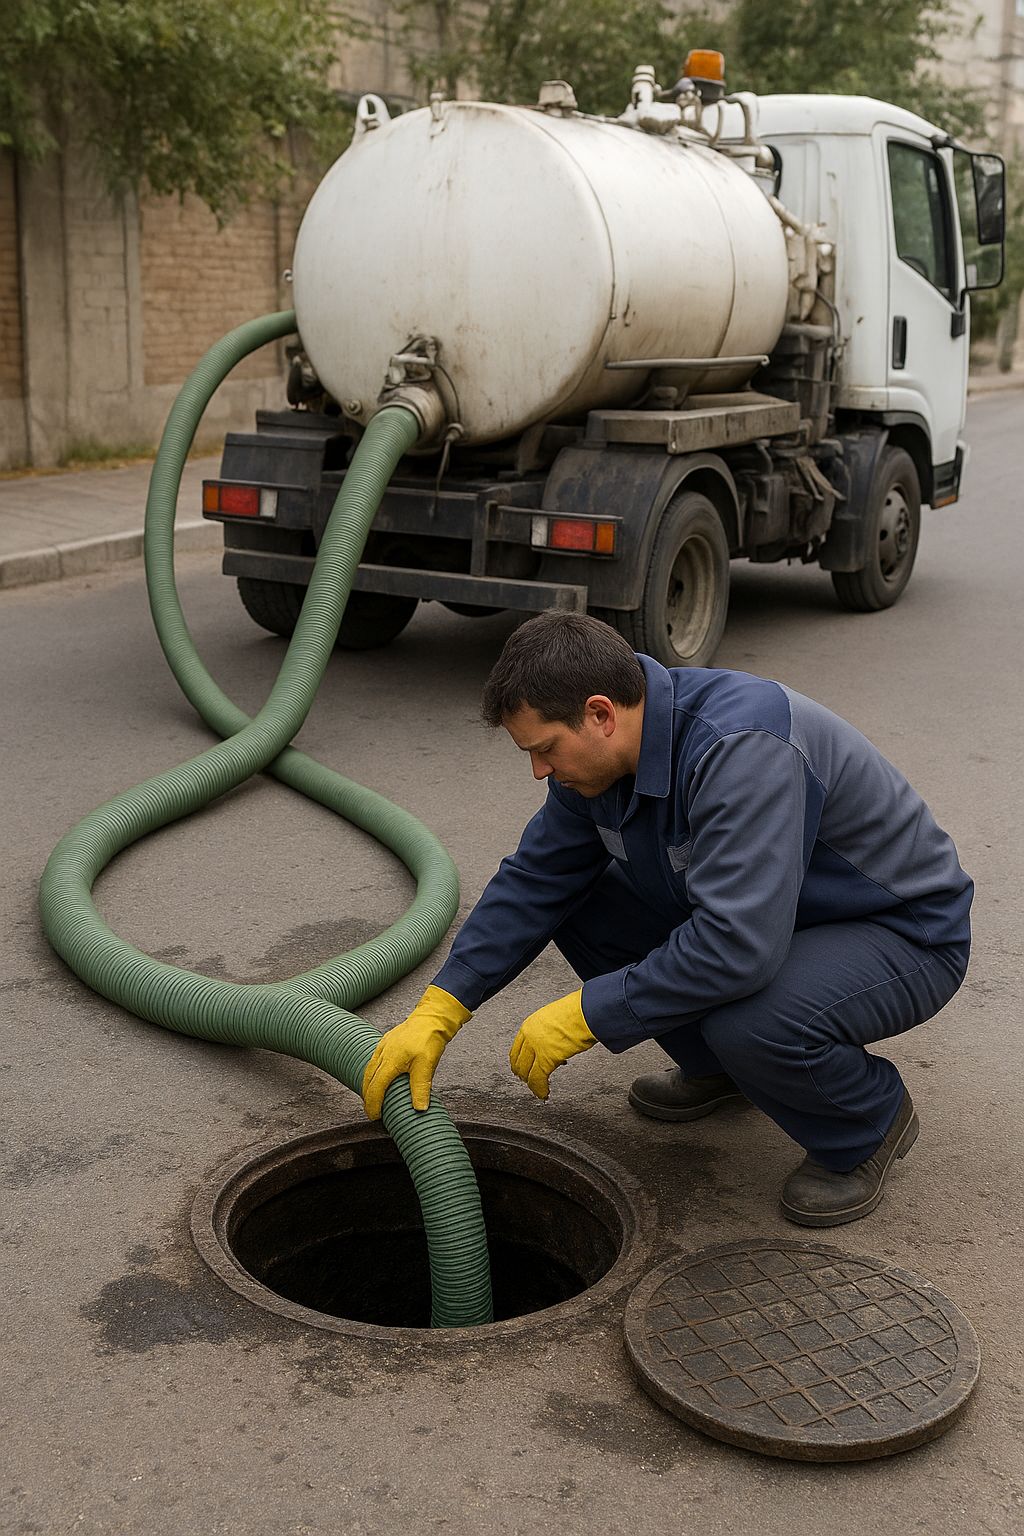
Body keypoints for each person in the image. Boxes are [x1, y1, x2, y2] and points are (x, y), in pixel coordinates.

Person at [361, 612, 972, 1227]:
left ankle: (866, 1122)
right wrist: (441, 1007)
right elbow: (536, 881)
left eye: (545, 748)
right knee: (583, 899)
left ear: (600, 714)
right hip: (776, 921)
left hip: (901, 932)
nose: (540, 771)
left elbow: (738, 947)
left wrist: (586, 1013)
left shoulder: (741, 747)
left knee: (752, 1020)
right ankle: (722, 1071)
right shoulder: (598, 766)